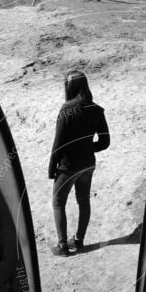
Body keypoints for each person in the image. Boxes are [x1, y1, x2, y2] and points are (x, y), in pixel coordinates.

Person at [48, 69, 110, 256]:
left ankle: (62, 246)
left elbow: (57, 144)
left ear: (69, 87)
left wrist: (52, 169)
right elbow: (105, 142)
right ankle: (78, 241)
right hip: (88, 164)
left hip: (69, 165)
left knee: (58, 203)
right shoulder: (97, 110)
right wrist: (88, 148)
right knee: (83, 202)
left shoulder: (66, 110)